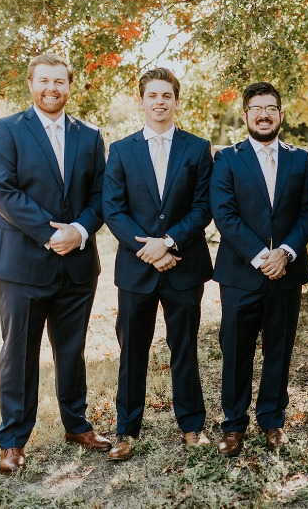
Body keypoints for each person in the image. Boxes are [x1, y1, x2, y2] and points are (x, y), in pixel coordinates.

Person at [0, 53, 112, 474]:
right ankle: (14, 441)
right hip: (21, 266)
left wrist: (79, 230)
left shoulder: (91, 136)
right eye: (44, 81)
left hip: (77, 265)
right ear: (31, 84)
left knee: (72, 351)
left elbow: (101, 196)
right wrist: (50, 232)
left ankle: (76, 424)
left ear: (70, 86)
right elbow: (3, 191)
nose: (52, 88)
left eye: (60, 81)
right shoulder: (6, 130)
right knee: (19, 354)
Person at [102, 67, 214, 460]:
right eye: (153, 95)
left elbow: (203, 207)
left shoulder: (198, 148)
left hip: (184, 264)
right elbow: (113, 210)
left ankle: (192, 426)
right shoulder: (121, 149)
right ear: (142, 100)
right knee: (132, 349)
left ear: (176, 101)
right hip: (136, 269)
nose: (160, 102)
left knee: (184, 347)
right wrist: (146, 248)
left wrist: (167, 243)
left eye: (167, 95)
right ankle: (126, 431)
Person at [210, 82, 308, 456]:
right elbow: (224, 214)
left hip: (287, 272)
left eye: (271, 108)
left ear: (281, 115)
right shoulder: (227, 158)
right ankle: (234, 425)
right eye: (256, 108)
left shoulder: (300, 159)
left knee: (279, 349)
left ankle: (272, 421)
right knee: (236, 350)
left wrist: (285, 253)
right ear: (245, 115)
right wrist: (261, 255)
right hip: (241, 273)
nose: (264, 114)